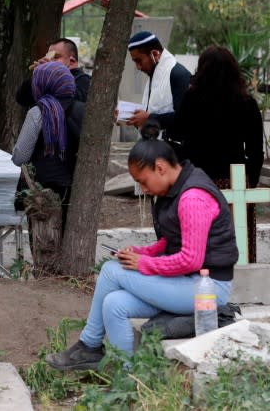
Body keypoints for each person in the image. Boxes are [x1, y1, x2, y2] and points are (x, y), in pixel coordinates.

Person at [46, 121, 238, 371]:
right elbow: (173, 239)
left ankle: (90, 345)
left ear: (160, 168)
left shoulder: (192, 197)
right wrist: (143, 252)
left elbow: (191, 258)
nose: (144, 189)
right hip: (184, 282)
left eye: (143, 181)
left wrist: (145, 264)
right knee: (114, 303)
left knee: (112, 271)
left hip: (208, 288)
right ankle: (128, 379)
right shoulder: (176, 190)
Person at [175, 45, 264, 262]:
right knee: (238, 241)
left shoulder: (191, 101)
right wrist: (247, 181)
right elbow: (255, 151)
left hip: (199, 183)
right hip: (235, 182)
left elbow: (181, 138)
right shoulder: (246, 103)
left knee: (202, 243)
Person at [12, 62, 84, 229]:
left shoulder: (38, 112)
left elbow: (20, 157)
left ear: (42, 84)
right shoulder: (84, 110)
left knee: (45, 242)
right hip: (75, 189)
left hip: (42, 192)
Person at [125, 31, 191, 143]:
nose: (138, 67)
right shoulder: (154, 73)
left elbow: (186, 118)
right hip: (151, 151)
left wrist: (150, 119)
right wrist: (128, 115)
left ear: (155, 54)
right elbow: (150, 112)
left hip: (171, 155)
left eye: (139, 61)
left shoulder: (178, 74)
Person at [15, 38, 91, 106]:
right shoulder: (46, 80)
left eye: (56, 57)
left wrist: (54, 74)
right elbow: (21, 99)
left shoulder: (84, 80)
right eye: (49, 56)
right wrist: (38, 76)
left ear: (72, 61)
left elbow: (75, 102)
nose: (50, 61)